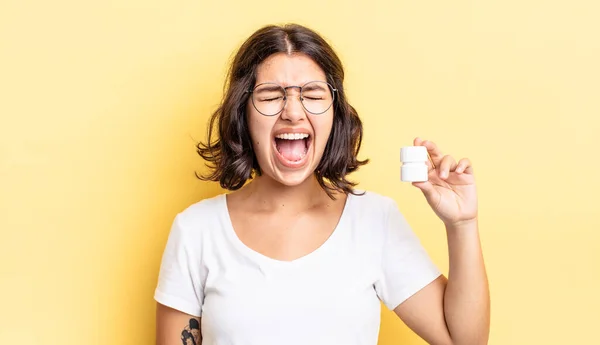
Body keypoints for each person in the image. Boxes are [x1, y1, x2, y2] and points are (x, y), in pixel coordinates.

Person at [154, 23, 490, 345]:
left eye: (312, 94)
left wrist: (462, 224)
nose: (293, 112)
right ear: (243, 113)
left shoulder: (374, 220)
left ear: (335, 114)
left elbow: (464, 340)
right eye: (271, 95)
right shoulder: (196, 230)